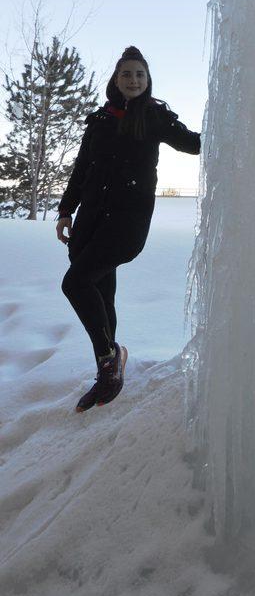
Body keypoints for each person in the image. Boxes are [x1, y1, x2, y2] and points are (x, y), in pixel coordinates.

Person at [56, 46, 200, 413]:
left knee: (75, 283)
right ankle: (109, 369)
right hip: (90, 219)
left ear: (147, 80)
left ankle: (110, 359)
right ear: (116, 80)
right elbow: (82, 169)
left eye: (139, 75)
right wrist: (65, 211)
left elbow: (196, 144)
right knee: (101, 295)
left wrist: (236, 120)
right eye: (127, 74)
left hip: (127, 223)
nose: (133, 80)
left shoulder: (155, 117)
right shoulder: (101, 119)